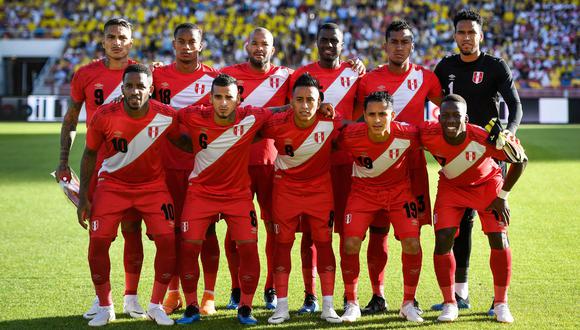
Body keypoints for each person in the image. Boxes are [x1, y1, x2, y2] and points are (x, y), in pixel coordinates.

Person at [77, 64, 186, 326]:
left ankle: (156, 305)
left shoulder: (166, 115)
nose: (135, 91)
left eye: (141, 86)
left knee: (167, 240)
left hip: (153, 188)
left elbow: (186, 142)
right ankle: (105, 306)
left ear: (151, 88)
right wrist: (83, 196)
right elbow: (90, 154)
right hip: (112, 186)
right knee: (99, 241)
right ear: (122, 88)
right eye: (130, 86)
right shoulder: (104, 115)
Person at [54, 18, 147, 320]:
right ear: (103, 41)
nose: (117, 42)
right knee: (99, 236)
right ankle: (102, 299)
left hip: (133, 163)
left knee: (133, 230)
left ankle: (131, 298)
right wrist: (63, 159)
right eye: (111, 37)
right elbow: (70, 120)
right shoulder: (85, 74)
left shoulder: (143, 74)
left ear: (131, 42)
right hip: (97, 165)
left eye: (122, 37)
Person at [433, 9, 523, 313]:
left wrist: (508, 134)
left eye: (472, 32)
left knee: (496, 225)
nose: (466, 38)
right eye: (461, 32)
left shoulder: (495, 66)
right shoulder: (445, 67)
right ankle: (460, 292)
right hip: (458, 155)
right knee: (460, 225)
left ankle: (499, 301)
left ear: (480, 35)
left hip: (489, 153)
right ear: (455, 35)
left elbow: (515, 105)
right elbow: (431, 102)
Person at [355, 19, 442, 314]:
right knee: (377, 232)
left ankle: (410, 299)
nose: (399, 47)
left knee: (411, 236)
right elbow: (357, 119)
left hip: (412, 167)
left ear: (412, 46)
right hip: (377, 168)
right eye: (394, 41)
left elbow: (451, 112)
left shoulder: (427, 78)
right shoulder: (367, 80)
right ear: (385, 45)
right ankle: (378, 296)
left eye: (405, 42)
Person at [420, 94, 527, 323]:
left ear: (465, 118)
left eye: (456, 116)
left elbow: (521, 160)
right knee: (443, 239)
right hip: (452, 187)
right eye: (445, 115)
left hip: (487, 186)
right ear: (438, 118)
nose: (450, 120)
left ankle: (501, 304)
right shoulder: (428, 133)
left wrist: (503, 196)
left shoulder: (483, 137)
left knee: (499, 238)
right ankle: (450, 303)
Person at [289, 22, 363, 313]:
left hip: (344, 164)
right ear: (316, 42)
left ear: (343, 45)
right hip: (311, 163)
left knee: (347, 232)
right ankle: (311, 295)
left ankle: (349, 296)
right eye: (324, 40)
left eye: (335, 41)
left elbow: (362, 113)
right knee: (311, 233)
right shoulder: (300, 76)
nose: (329, 45)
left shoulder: (355, 74)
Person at [220, 27, 294, 310]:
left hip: (272, 163)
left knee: (274, 229)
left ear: (272, 50)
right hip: (234, 164)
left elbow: (311, 91)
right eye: (255, 43)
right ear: (246, 45)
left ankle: (271, 289)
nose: (259, 48)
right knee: (234, 232)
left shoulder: (286, 76)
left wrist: (354, 64)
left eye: (265, 44)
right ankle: (236, 289)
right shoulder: (227, 74)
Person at [152, 22, 221, 317]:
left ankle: (208, 295)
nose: (186, 46)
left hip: (203, 169)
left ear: (201, 45)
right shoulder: (156, 76)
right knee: (170, 234)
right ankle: (173, 293)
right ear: (173, 43)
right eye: (181, 41)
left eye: (192, 41)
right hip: (165, 166)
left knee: (206, 233)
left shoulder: (215, 79)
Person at [337, 91, 424, 323]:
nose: (377, 120)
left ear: (392, 115)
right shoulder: (350, 136)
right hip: (362, 193)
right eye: (372, 114)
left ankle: (408, 303)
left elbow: (438, 137)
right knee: (350, 243)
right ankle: (352, 303)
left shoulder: (409, 134)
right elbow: (328, 136)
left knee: (412, 243)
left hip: (399, 194)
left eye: (382, 114)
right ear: (363, 116)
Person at [264, 73, 342, 324]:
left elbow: (355, 131)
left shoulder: (330, 120)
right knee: (282, 244)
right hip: (285, 189)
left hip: (320, 190)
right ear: (291, 101)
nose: (305, 105)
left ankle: (328, 306)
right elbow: (249, 124)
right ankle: (282, 307)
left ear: (320, 101)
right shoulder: (276, 122)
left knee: (324, 243)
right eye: (299, 100)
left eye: (311, 100)